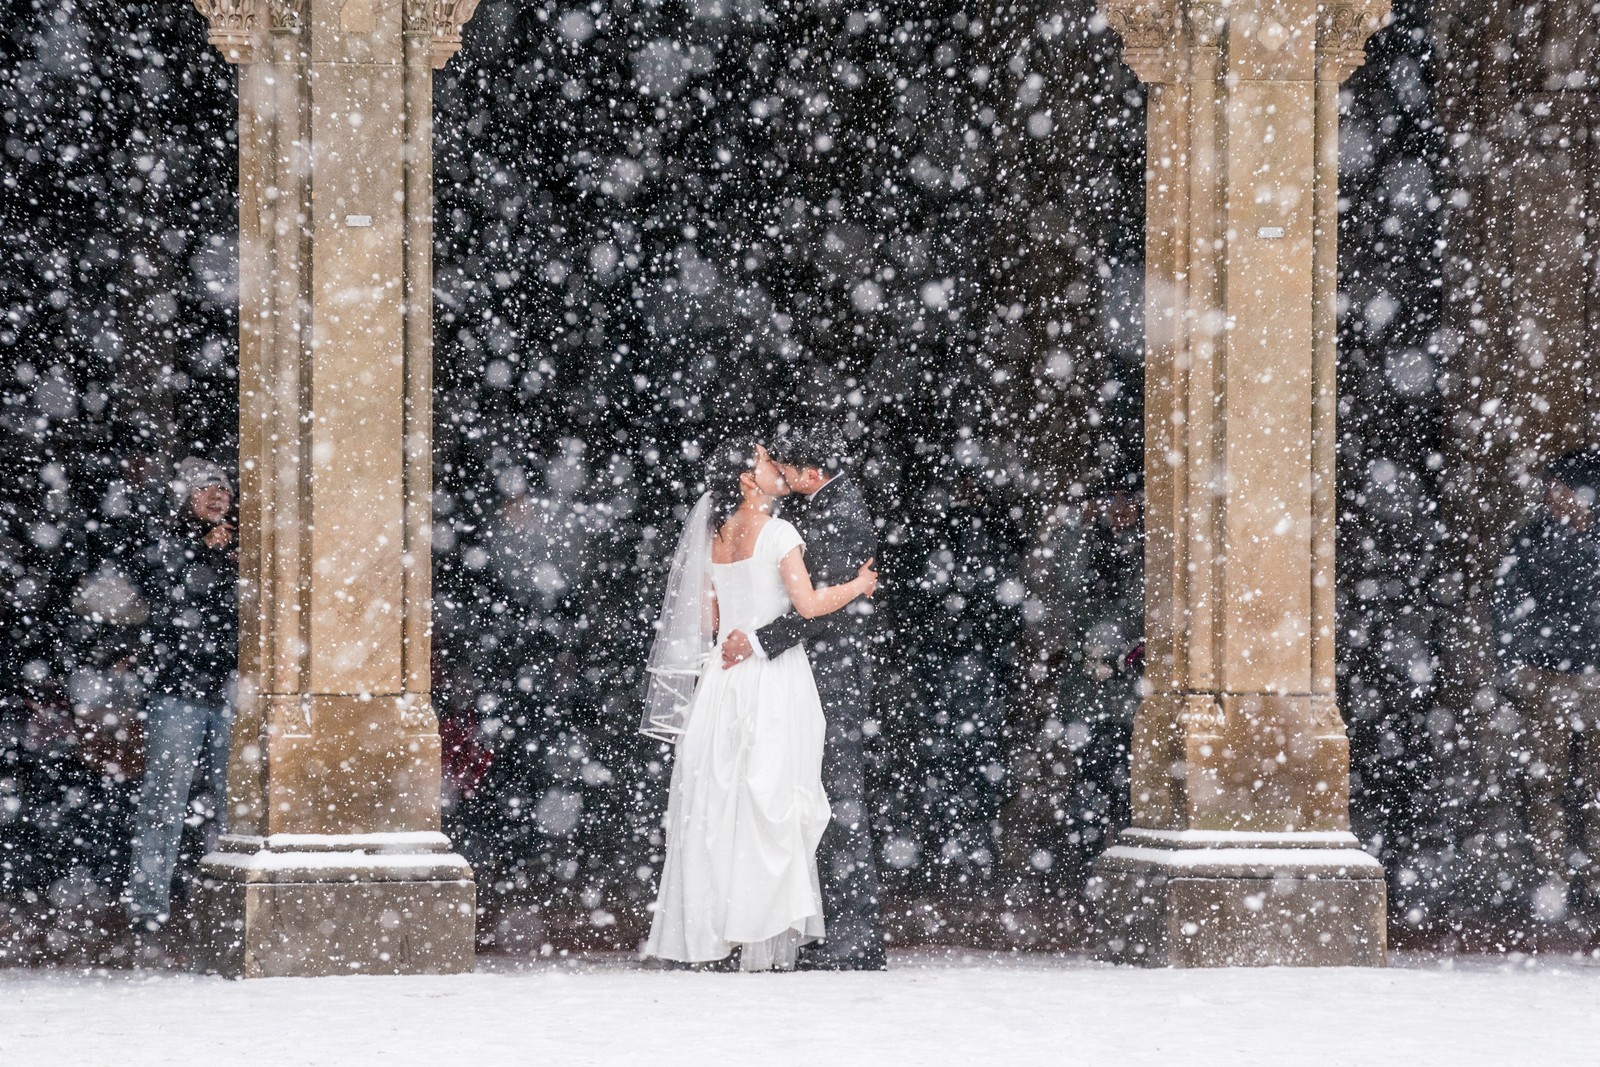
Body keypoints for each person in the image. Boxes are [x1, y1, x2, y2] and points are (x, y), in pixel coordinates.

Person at [642, 442, 878, 971]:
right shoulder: (779, 533)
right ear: (750, 482)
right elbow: (810, 605)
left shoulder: (716, 536)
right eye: (767, 464)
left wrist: (738, 633)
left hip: (723, 681)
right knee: (769, 803)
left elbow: (711, 616)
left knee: (719, 805)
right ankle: (762, 931)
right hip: (772, 680)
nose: (777, 469)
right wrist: (859, 584)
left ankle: (717, 932)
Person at [720, 426, 887, 970]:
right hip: (800, 676)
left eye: (787, 469)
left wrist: (759, 641)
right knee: (802, 797)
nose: (782, 477)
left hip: (831, 675)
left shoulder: (840, 513)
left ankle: (853, 939)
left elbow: (818, 607)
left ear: (812, 474)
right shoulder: (817, 507)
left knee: (837, 801)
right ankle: (813, 927)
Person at [124, 456, 237, 943]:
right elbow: (164, 596)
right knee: (163, 801)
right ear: (183, 499)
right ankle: (149, 904)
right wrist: (201, 552)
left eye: (223, 489)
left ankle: (232, 895)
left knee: (237, 801)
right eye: (204, 489)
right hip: (178, 692)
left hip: (230, 690)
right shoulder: (163, 542)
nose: (217, 495)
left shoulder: (240, 544)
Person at [1494, 448, 1600, 918]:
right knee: (1546, 782)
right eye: (1551, 487)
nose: (1553, 496)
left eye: (1561, 486)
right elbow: (1508, 604)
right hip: (1548, 675)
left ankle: (1594, 880)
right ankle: (1552, 880)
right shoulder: (1532, 541)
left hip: (1594, 674)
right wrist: (1518, 663)